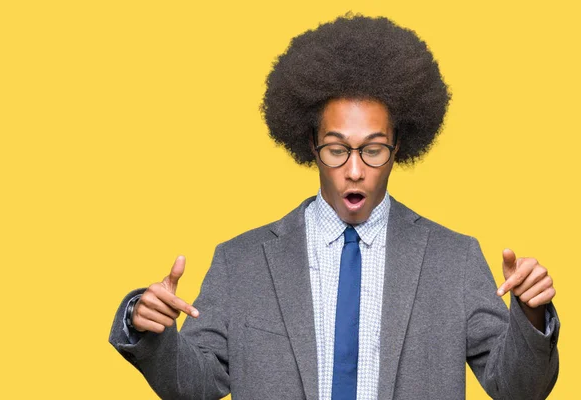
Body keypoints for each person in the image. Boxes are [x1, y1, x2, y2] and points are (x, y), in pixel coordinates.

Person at [109, 13, 559, 400]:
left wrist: (531, 314)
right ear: (310, 143)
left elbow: (516, 388)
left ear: (399, 146)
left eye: (374, 149)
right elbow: (195, 384)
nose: (356, 170)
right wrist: (149, 328)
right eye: (336, 149)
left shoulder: (453, 259)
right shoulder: (240, 262)